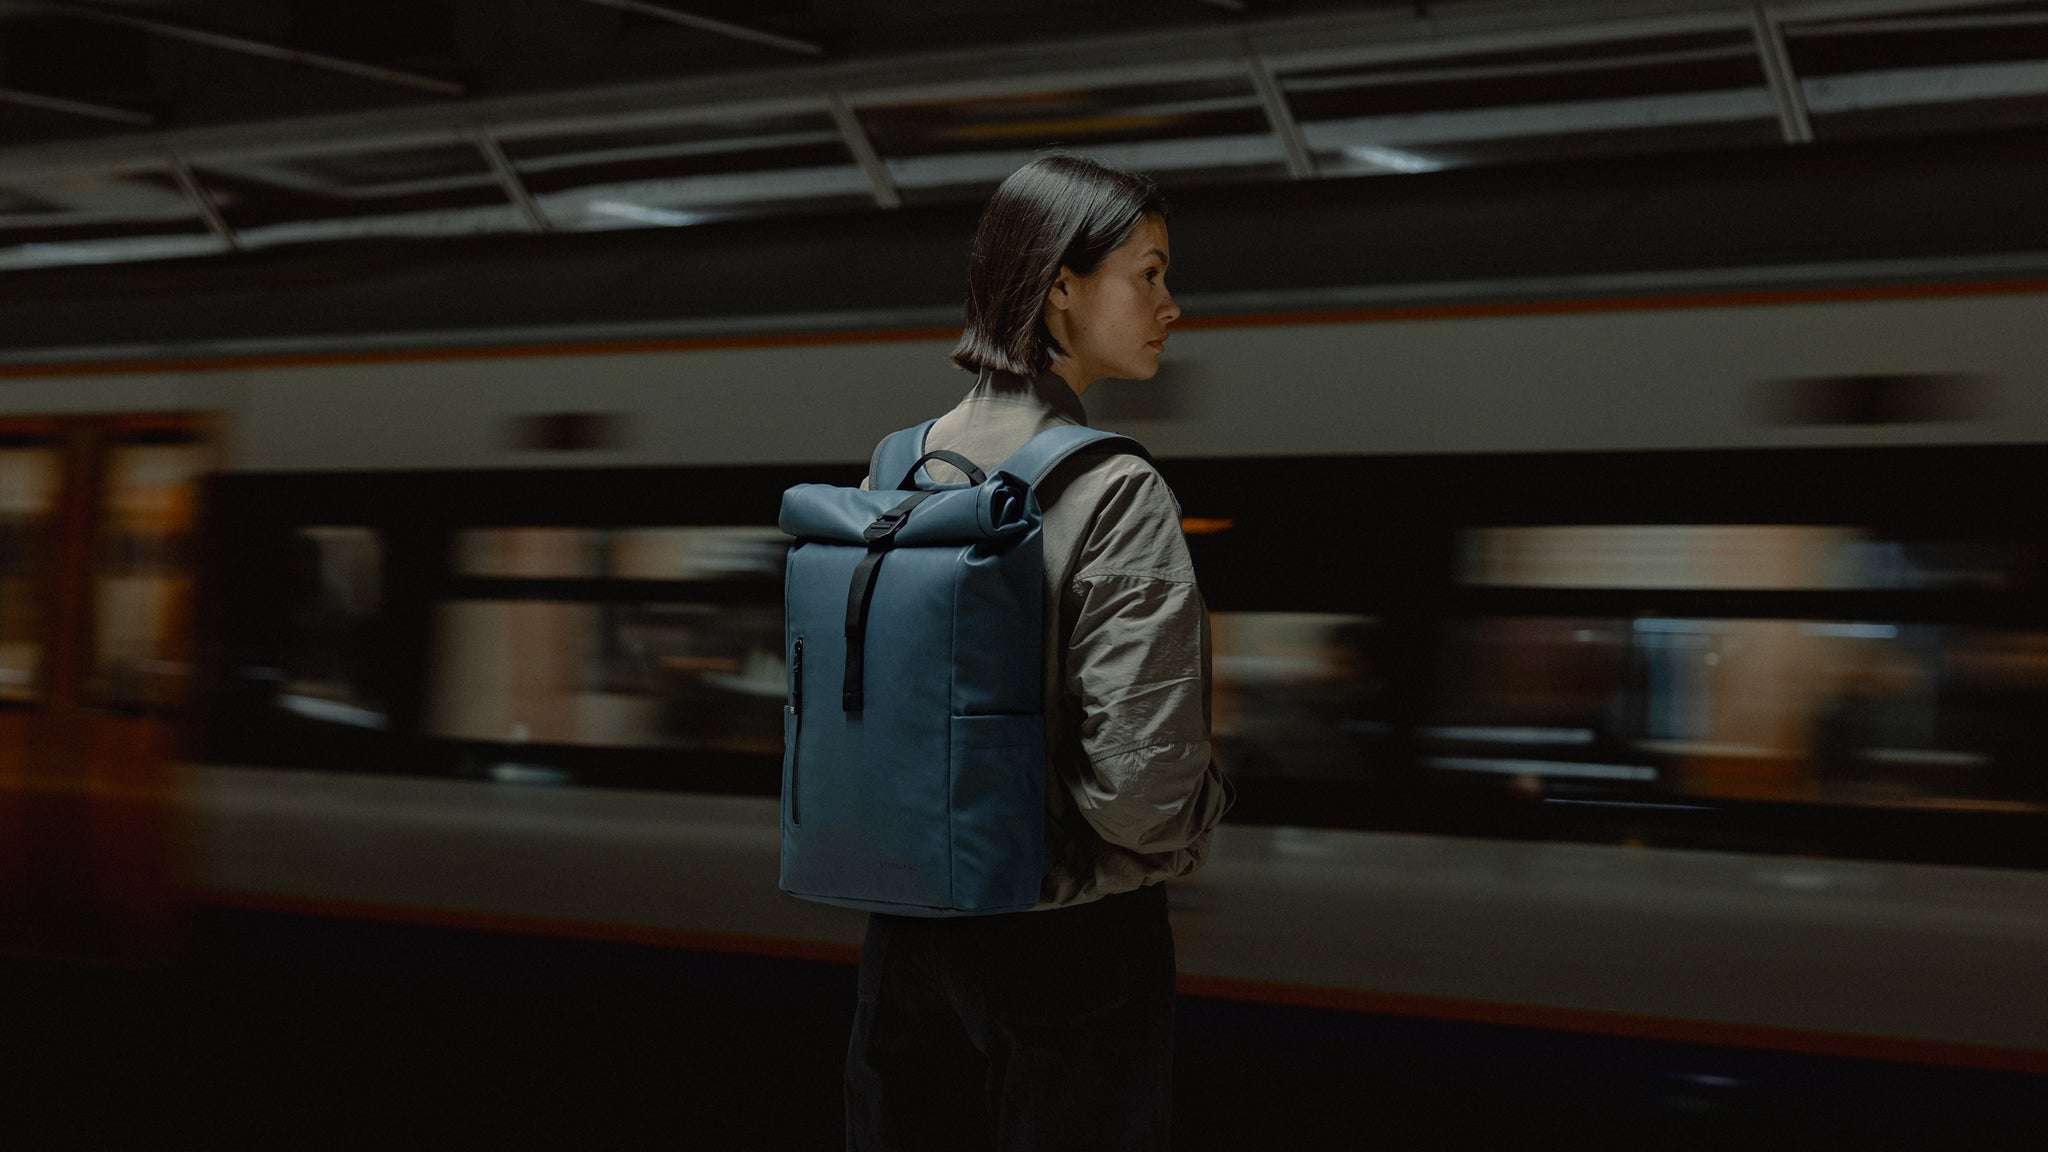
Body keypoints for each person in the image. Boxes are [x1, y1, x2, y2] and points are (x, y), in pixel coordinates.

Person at [843, 154, 1233, 1151]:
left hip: (910, 928)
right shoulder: (1114, 489)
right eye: (1146, 274)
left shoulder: (896, 465)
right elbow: (1140, 787)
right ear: (1059, 286)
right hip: (1069, 935)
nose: (1169, 304)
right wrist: (1191, 827)